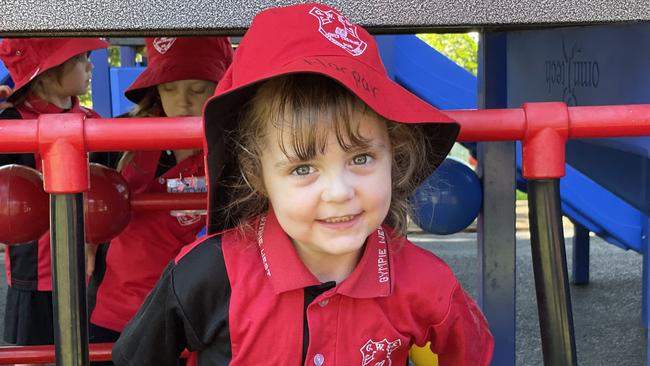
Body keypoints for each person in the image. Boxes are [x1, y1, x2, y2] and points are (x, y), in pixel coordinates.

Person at [112, 4, 494, 366]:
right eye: (302, 168)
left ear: (393, 156)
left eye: (361, 158)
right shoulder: (209, 274)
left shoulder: (428, 283)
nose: (339, 192)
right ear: (258, 175)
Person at [87, 36, 234, 348]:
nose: (182, 102)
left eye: (198, 89)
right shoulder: (117, 141)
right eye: (169, 88)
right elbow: (87, 211)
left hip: (204, 311)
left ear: (222, 87)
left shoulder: (236, 147)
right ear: (155, 91)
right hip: (124, 307)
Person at [0, 37, 109, 359]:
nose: (90, 66)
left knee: (88, 348)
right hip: (33, 270)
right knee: (29, 353)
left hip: (91, 265)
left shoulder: (93, 122)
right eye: (81, 59)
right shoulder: (11, 123)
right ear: (46, 73)